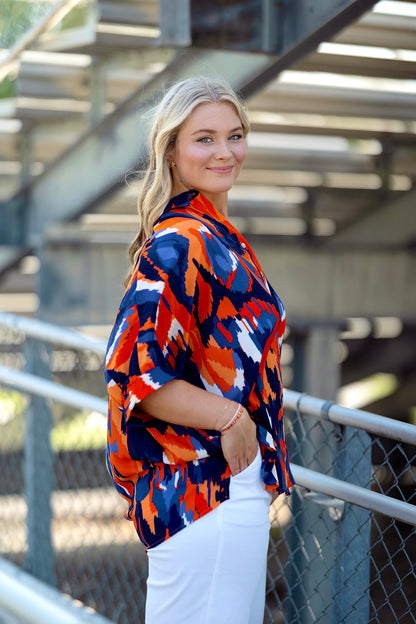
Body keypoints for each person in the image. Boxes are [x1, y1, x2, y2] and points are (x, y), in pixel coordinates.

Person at [105, 76, 294, 624]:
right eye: (204, 138)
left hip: (219, 488)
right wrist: (232, 417)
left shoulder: (217, 237)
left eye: (234, 136)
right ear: (172, 149)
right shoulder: (178, 242)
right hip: (205, 489)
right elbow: (134, 376)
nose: (225, 152)